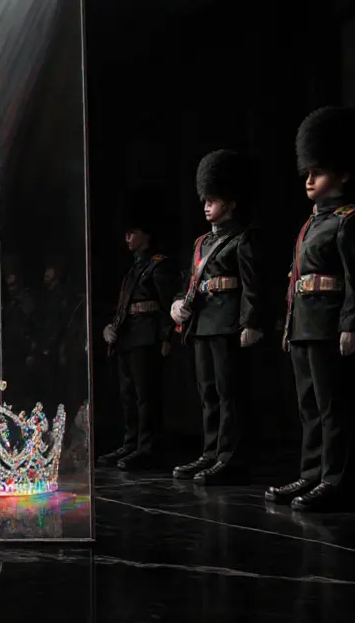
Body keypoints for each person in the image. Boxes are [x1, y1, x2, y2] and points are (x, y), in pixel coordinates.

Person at [266, 107, 355, 512]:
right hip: (304, 325)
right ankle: (311, 472)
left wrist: (350, 324)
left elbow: (354, 279)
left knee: (332, 408)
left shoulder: (347, 221)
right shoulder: (310, 224)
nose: (308, 179)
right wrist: (289, 325)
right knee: (309, 408)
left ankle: (335, 480)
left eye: (318, 172)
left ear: (343, 175)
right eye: (307, 172)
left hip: (329, 325)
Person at [170, 150, 264, 485]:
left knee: (229, 395)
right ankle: (210, 453)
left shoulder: (243, 238)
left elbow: (252, 285)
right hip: (202, 323)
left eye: (214, 200)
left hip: (227, 324)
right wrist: (177, 304)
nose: (206, 205)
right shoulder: (200, 243)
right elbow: (189, 283)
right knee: (208, 393)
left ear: (231, 202)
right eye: (206, 200)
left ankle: (229, 457)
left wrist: (250, 321)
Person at [101, 191, 179, 470]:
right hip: (129, 336)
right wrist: (111, 327)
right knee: (129, 395)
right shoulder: (133, 269)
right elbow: (124, 304)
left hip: (147, 336)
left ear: (145, 234)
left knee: (147, 396)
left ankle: (148, 447)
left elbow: (168, 304)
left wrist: (167, 336)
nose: (127, 238)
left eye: (132, 232)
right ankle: (131, 442)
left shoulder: (159, 265)